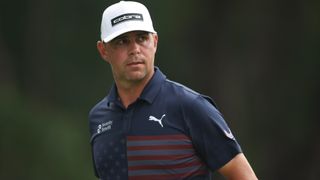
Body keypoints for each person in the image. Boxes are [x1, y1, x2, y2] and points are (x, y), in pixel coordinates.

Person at [89, 1, 258, 179]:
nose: (135, 50)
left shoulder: (190, 106)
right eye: (122, 41)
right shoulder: (99, 118)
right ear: (103, 50)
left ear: (154, 42)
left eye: (141, 38)